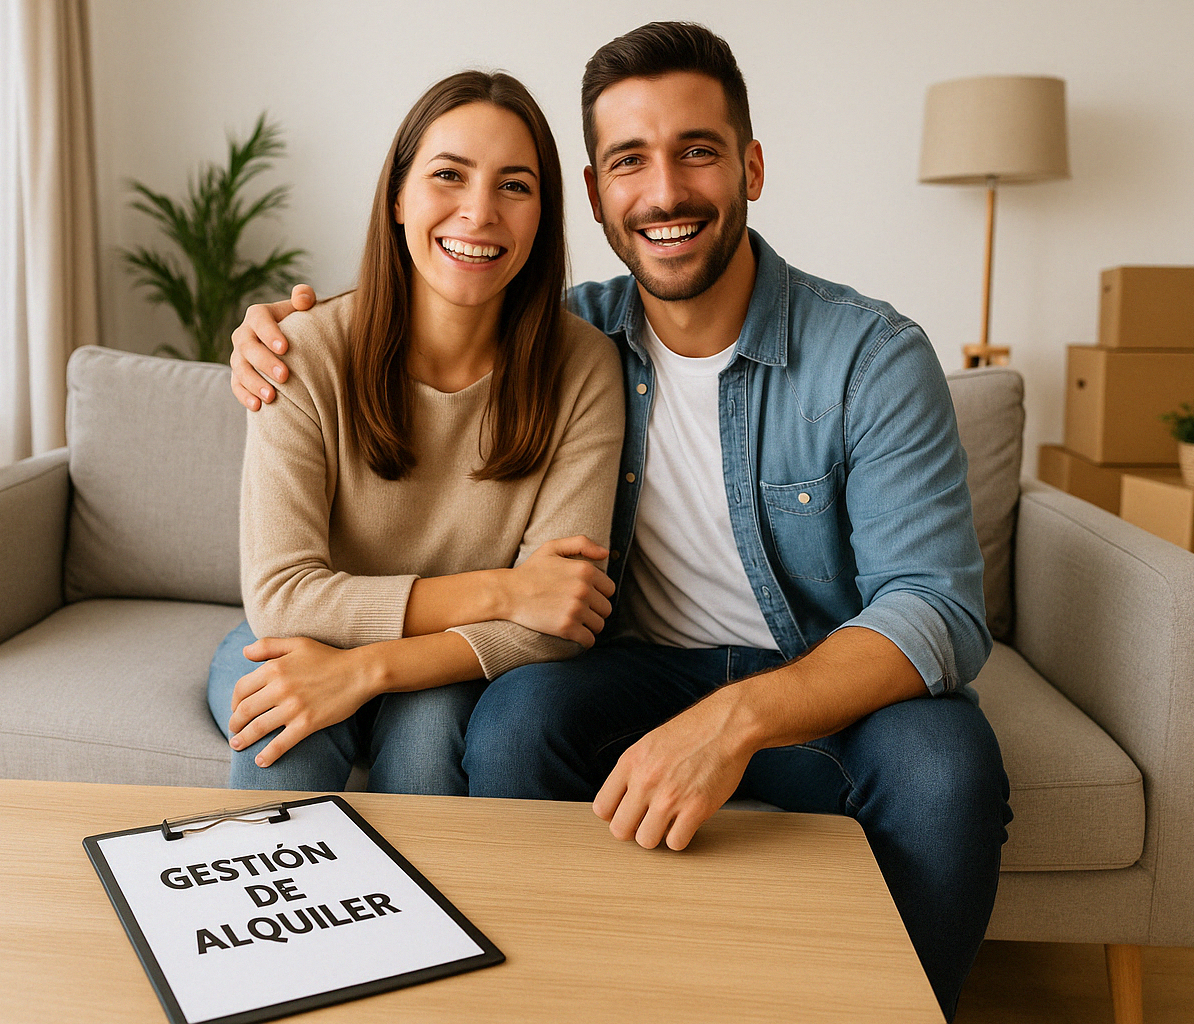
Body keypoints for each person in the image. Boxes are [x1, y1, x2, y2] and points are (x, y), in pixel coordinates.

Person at [228, 24, 1010, 1021]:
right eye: (631, 161)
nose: (666, 191)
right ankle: (546, 997)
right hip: (633, 672)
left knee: (948, 771)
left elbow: (937, 607)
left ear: (751, 167)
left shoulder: (871, 357)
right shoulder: (568, 338)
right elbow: (437, 293)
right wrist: (279, 327)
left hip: (822, 683)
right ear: (596, 196)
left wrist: (733, 721)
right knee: (513, 723)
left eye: (698, 151)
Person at [209, 70, 624, 798]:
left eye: (514, 186)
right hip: (298, 640)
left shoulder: (583, 367)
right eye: (448, 175)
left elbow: (560, 614)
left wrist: (366, 669)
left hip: (446, 662)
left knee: (429, 743)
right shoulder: (298, 352)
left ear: (543, 216)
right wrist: (506, 590)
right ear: (398, 197)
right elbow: (282, 599)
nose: (479, 211)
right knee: (280, 727)